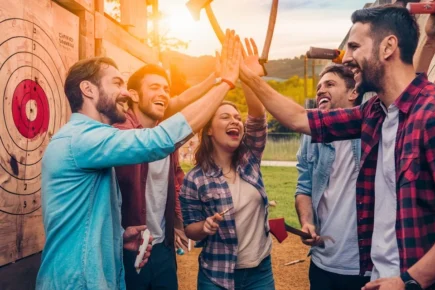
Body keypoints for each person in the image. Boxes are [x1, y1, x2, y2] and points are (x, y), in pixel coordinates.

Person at [239, 2, 435, 290]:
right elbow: (297, 118)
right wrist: (250, 78)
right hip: (375, 277)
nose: (346, 57)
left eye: (355, 46)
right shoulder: (375, 114)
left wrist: (410, 281)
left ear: (387, 47)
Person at [36, 30, 242, 290]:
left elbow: (84, 221)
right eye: (116, 84)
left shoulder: (92, 139)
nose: (125, 92)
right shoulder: (81, 138)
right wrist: (224, 82)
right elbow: (158, 141)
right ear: (88, 89)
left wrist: (120, 237)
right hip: (75, 282)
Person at [114, 57, 227, 289]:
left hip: (163, 246)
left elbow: (175, 179)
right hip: (129, 248)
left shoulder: (165, 135)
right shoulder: (120, 132)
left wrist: (176, 222)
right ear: (134, 95)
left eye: (166, 89)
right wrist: (225, 81)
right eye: (154, 87)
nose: (164, 94)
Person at [180, 38, 275, 290]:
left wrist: (248, 76)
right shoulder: (195, 179)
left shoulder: (250, 159)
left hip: (260, 272)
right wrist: (206, 226)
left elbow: (257, 116)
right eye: (225, 117)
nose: (235, 121)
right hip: (216, 274)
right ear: (209, 130)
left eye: (237, 117)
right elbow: (190, 229)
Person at [295, 64, 370, 290]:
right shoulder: (310, 137)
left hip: (365, 267)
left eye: (330, 84)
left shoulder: (371, 127)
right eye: (319, 87)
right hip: (322, 264)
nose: (320, 90)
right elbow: (304, 188)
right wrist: (307, 222)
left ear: (353, 93)